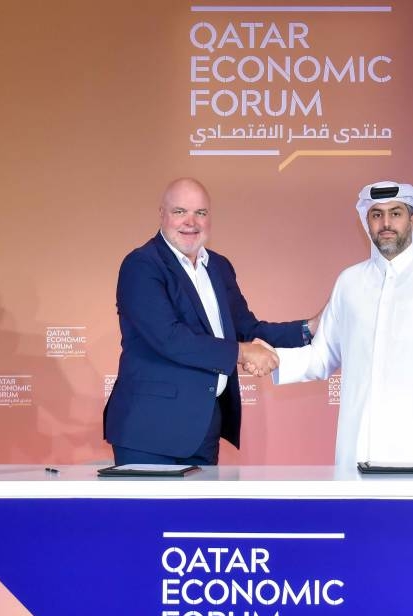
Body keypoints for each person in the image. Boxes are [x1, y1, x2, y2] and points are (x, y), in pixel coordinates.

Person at [274, 181, 413, 468]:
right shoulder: (349, 282)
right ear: (368, 222)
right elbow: (322, 356)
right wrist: (270, 360)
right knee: (359, 514)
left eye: (395, 213)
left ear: (412, 220)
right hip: (361, 443)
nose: (386, 223)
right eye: (376, 215)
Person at [104, 177, 316, 465]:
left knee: (200, 513)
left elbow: (246, 328)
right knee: (153, 513)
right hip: (149, 432)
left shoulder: (219, 266)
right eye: (180, 211)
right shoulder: (141, 265)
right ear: (162, 215)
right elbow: (171, 339)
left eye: (200, 213)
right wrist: (243, 352)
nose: (191, 222)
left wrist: (309, 328)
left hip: (203, 430)